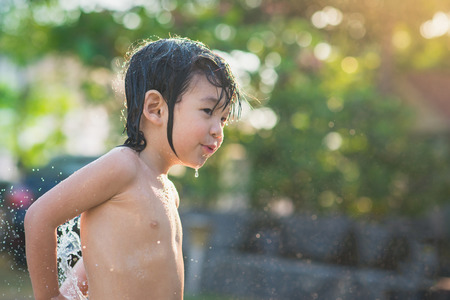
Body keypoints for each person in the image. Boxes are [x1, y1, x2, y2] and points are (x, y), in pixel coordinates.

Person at [24, 36, 243, 300]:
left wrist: (73, 290)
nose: (218, 130)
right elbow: (39, 217)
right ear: (156, 109)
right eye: (208, 111)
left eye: (223, 118)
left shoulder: (168, 191)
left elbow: (102, 257)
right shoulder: (124, 165)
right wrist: (50, 297)